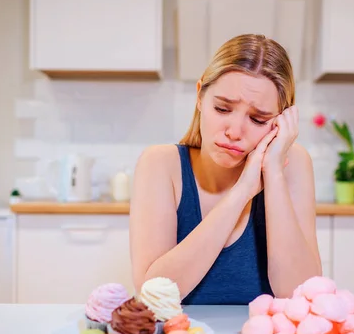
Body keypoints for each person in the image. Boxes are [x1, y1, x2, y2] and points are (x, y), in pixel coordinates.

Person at [129, 34, 322, 305]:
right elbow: (153, 295)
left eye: (258, 119)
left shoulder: (294, 165)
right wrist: (243, 190)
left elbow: (301, 295)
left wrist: (274, 174)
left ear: (280, 123)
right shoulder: (161, 164)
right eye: (222, 109)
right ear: (200, 96)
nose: (234, 132)